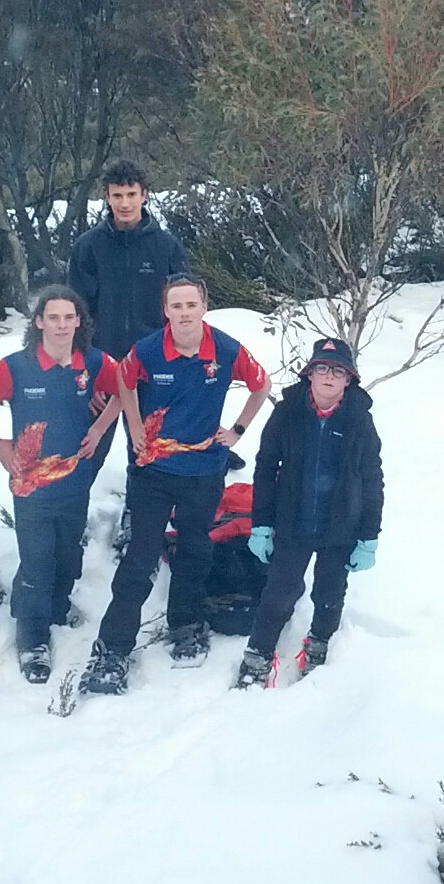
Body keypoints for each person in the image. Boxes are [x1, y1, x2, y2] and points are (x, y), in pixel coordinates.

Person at [81, 274, 269, 693]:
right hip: (154, 471)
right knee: (140, 558)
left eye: (191, 305)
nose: (184, 314)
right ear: (165, 310)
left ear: (204, 306)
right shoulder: (148, 349)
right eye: (176, 306)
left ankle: (184, 623)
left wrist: (237, 429)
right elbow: (123, 381)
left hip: (204, 470)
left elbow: (262, 384)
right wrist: (133, 426)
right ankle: (112, 649)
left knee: (195, 549)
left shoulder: (225, 349)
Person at [0, 286, 135, 684]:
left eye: (70, 318)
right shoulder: (16, 367)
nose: (62, 325)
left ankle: (54, 609)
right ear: (39, 323)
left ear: (79, 323)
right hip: (31, 487)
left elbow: (127, 383)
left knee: (67, 556)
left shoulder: (93, 361)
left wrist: (101, 426)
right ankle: (32, 638)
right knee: (37, 561)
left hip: (75, 482)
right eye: (54, 317)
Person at [234, 336, 384, 690]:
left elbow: (372, 478)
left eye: (338, 371)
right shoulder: (287, 412)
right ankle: (259, 652)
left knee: (330, 593)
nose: (329, 376)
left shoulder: (360, 420)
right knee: (279, 592)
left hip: (339, 527)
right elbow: (266, 467)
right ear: (309, 374)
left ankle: (318, 644)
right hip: (292, 523)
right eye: (322, 368)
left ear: (349, 379)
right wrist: (262, 524)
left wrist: (369, 536)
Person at [65, 159, 191, 488]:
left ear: (144, 195)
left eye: (131, 194)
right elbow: (73, 315)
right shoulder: (88, 247)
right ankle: (71, 522)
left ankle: (137, 520)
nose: (124, 203)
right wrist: (85, 370)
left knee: (148, 453)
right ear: (106, 196)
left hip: (152, 369)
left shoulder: (166, 247)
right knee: (85, 451)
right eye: (117, 195)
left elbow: (182, 311)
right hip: (101, 368)